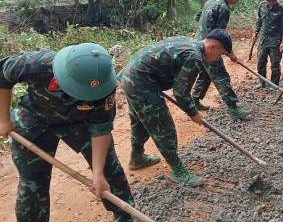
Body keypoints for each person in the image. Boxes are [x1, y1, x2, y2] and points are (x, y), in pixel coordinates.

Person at [0, 43, 135, 222]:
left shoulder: (104, 86)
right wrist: (3, 119)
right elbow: (3, 76)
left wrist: (97, 173)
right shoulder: (37, 64)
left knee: (109, 170)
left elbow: (101, 127)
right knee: (32, 182)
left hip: (80, 121)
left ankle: (126, 217)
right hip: (34, 118)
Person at [118, 29, 232, 186]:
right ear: (212, 46)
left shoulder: (188, 42)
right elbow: (181, 92)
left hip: (131, 75)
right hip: (141, 82)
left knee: (141, 119)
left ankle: (137, 157)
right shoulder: (194, 57)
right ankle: (178, 171)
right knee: (163, 126)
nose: (216, 59)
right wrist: (193, 112)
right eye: (220, 55)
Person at [192, 0, 252, 120]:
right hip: (210, 48)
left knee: (205, 74)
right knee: (221, 76)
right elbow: (220, 34)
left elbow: (197, 17)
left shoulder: (210, 2)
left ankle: (194, 101)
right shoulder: (224, 8)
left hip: (198, 44)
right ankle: (233, 108)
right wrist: (230, 53)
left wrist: (202, 33)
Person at [252, 0, 283, 88]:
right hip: (263, 40)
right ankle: (262, 82)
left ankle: (274, 83)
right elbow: (259, 20)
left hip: (275, 41)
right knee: (260, 62)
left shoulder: (282, 9)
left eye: (273, 0)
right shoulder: (262, 6)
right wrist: (256, 32)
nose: (270, 2)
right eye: (269, 0)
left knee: (275, 64)